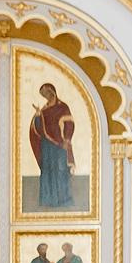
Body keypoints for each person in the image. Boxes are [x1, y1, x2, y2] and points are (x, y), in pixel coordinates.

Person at [29, 81, 76, 210]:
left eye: (48, 93)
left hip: (60, 145)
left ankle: (63, 199)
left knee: (61, 170)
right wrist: (38, 116)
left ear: (53, 92)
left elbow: (69, 124)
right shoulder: (44, 110)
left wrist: (67, 140)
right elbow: (38, 129)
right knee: (47, 171)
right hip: (47, 145)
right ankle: (48, 200)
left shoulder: (62, 107)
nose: (46, 96)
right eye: (44, 94)